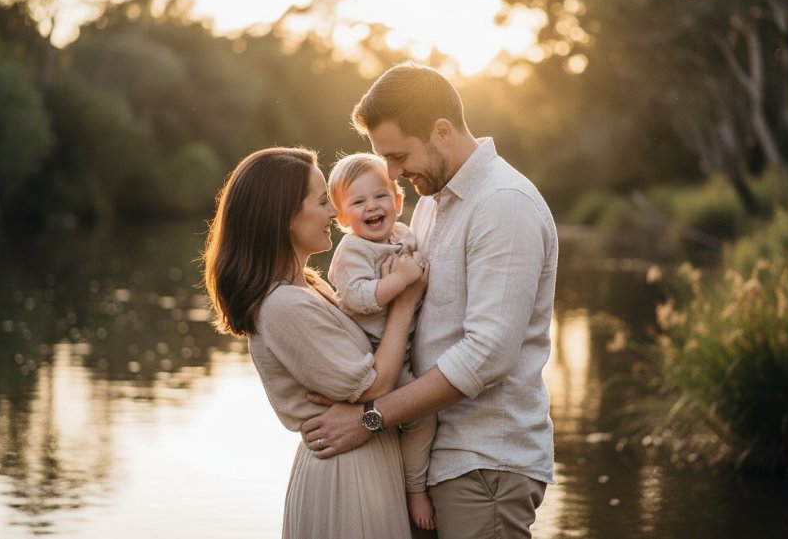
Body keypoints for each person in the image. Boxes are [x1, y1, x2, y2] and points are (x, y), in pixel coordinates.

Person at [301, 62, 559, 539]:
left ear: (441, 131)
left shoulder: (503, 204)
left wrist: (371, 418)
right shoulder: (431, 204)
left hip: (485, 465)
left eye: (398, 156)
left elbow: (486, 357)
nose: (393, 173)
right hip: (433, 457)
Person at [203, 146, 428, 539]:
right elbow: (375, 385)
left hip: (366, 463)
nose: (332, 213)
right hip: (346, 477)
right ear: (285, 217)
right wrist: (404, 303)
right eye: (324, 201)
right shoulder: (281, 304)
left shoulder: (308, 285)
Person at [326, 152, 438, 531]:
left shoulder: (405, 235)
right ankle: (414, 488)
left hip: (403, 350)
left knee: (422, 418)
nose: (372, 206)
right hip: (374, 356)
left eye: (381, 196)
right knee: (422, 413)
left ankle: (408, 478)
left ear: (398, 201)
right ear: (342, 218)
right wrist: (401, 280)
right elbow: (357, 296)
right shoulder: (351, 252)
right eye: (357, 202)